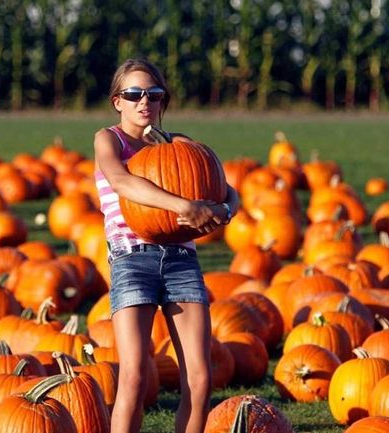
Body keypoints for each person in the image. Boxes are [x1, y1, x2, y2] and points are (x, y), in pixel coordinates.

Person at [93, 58, 240, 433]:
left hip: (180, 260)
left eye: (154, 95)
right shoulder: (109, 139)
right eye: (134, 94)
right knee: (134, 377)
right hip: (131, 260)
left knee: (200, 379)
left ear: (162, 101)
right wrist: (183, 205)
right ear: (118, 102)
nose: (144, 102)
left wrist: (222, 210)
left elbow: (228, 192)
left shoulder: (182, 146)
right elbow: (122, 182)